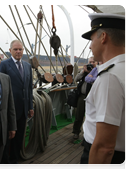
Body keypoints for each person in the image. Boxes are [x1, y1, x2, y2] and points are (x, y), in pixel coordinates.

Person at [80, 13, 127, 169]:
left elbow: (104, 148)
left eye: (92, 39)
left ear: (103, 37)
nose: (90, 46)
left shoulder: (110, 77)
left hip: (111, 160)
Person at [0, 40, 34, 169]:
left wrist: (30, 106)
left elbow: (29, 88)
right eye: (15, 49)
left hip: (23, 109)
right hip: (9, 109)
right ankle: (5, 164)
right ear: (10, 50)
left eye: (20, 49)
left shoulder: (27, 66)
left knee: (19, 138)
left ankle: (14, 161)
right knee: (8, 138)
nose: (18, 52)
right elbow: (1, 88)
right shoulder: (4, 65)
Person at [72, 56, 96, 139]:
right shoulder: (84, 72)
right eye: (90, 62)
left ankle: (89, 135)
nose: (91, 64)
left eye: (93, 62)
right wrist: (83, 71)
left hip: (93, 97)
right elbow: (76, 79)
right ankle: (76, 132)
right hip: (82, 96)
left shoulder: (98, 72)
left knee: (91, 117)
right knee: (79, 115)